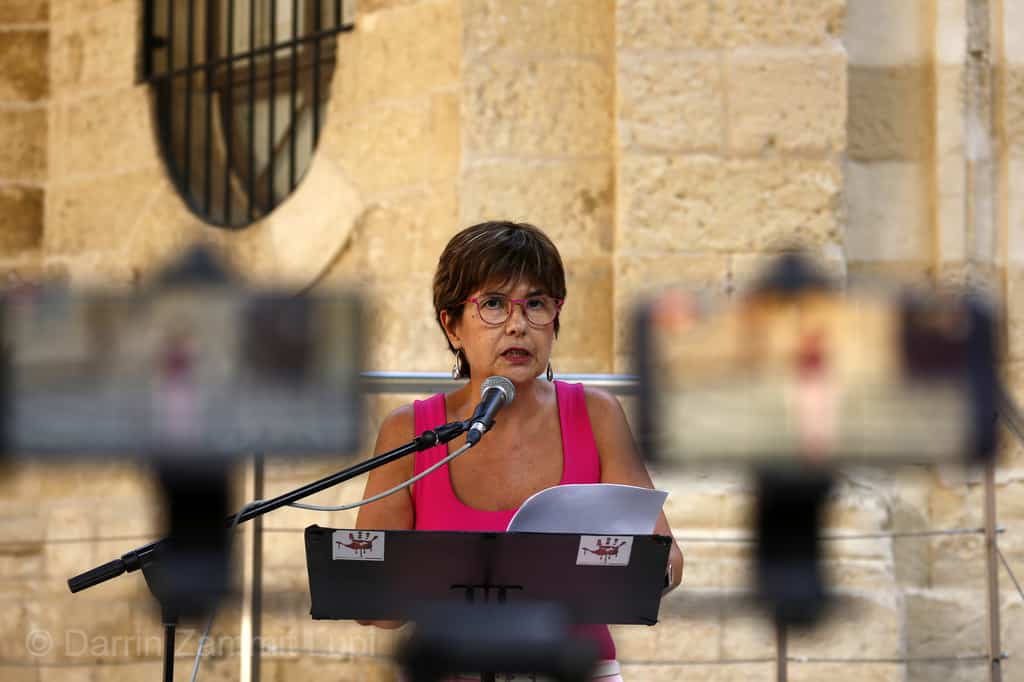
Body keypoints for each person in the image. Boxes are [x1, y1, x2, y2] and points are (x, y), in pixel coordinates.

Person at [356, 221, 683, 681]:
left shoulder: (598, 415)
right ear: (452, 326)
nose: (518, 324)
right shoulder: (410, 431)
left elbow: (667, 560)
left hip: (574, 669)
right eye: (493, 304)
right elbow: (376, 607)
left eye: (536, 304)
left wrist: (637, 571)